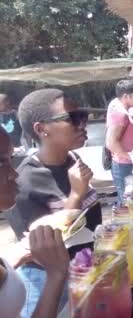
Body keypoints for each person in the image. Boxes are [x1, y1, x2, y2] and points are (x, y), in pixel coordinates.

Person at [6, 88, 101, 317]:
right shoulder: (23, 182)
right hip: (50, 288)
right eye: (72, 118)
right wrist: (76, 195)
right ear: (41, 129)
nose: (82, 124)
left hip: (85, 273)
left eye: (82, 116)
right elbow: (44, 250)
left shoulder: (73, 160)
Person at [106, 79, 133, 204]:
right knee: (128, 203)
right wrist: (130, 158)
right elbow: (111, 142)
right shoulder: (120, 114)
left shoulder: (125, 113)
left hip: (127, 164)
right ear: (126, 96)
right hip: (123, 165)